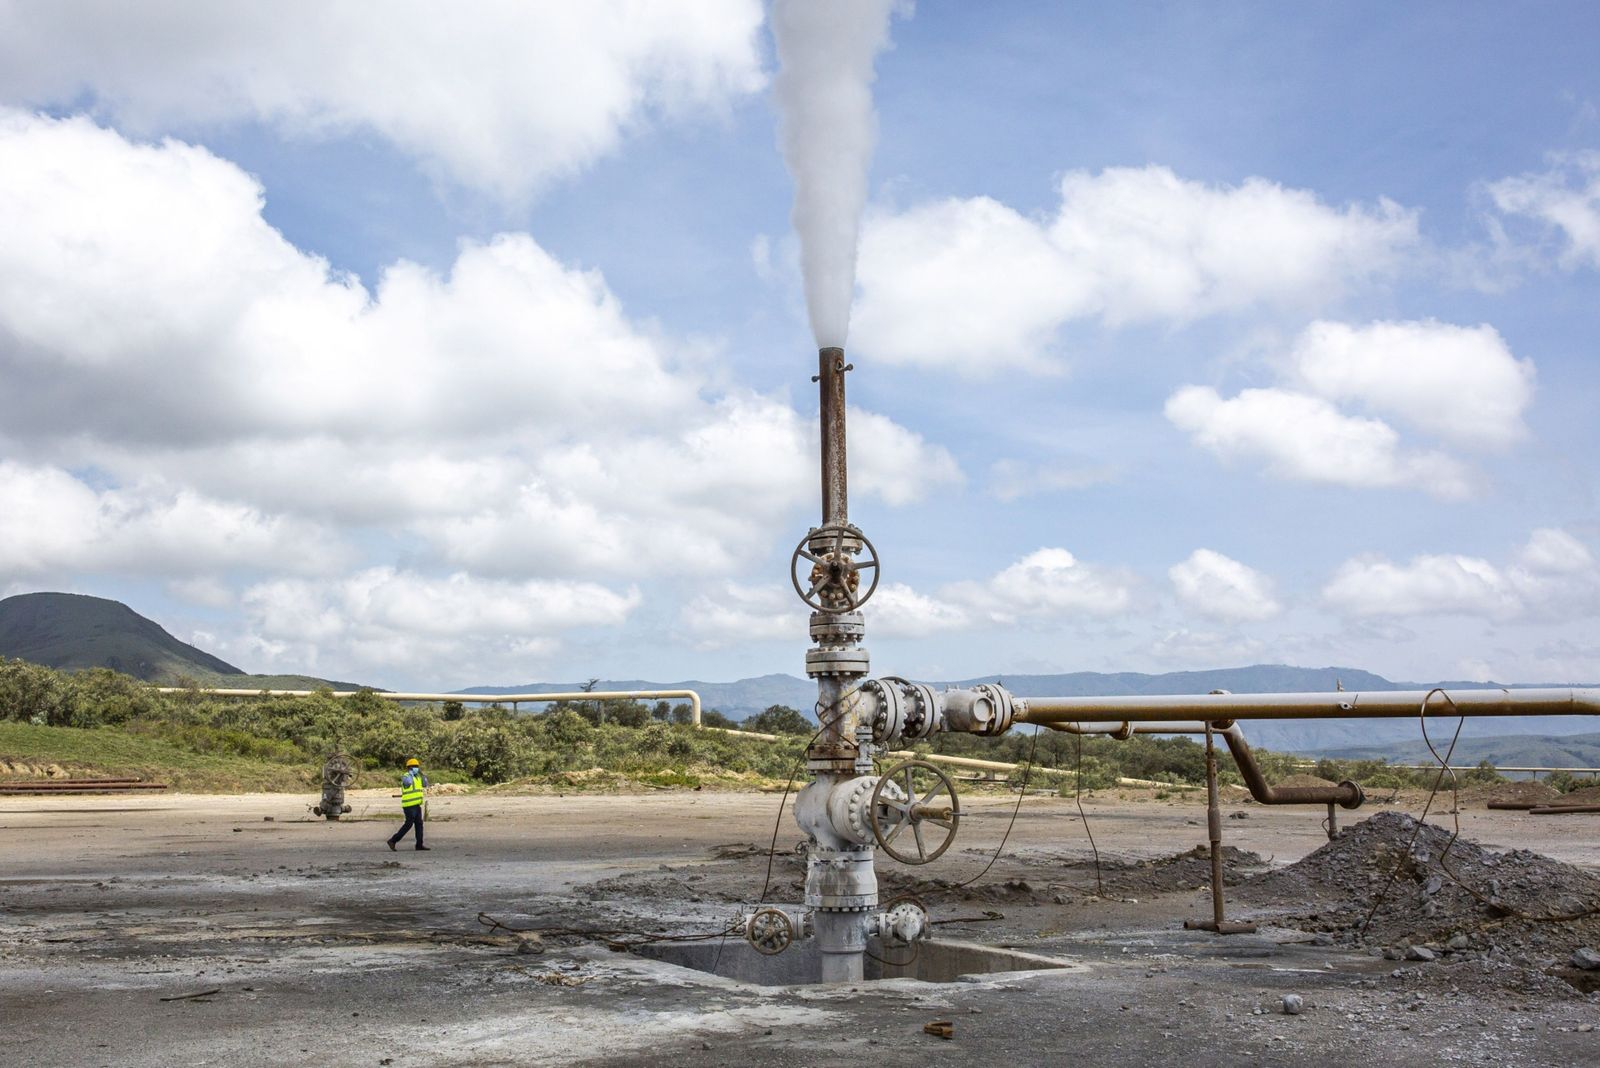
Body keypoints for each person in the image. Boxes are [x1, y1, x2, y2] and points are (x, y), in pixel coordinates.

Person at [387, 758, 430, 851]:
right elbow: (408, 783)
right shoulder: (406, 776)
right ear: (409, 768)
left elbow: (425, 784)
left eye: (417, 766)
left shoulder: (418, 777)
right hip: (409, 805)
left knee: (419, 824)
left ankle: (419, 844)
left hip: (417, 805)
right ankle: (393, 840)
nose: (416, 768)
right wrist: (410, 775)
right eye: (414, 767)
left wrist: (423, 776)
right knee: (408, 824)